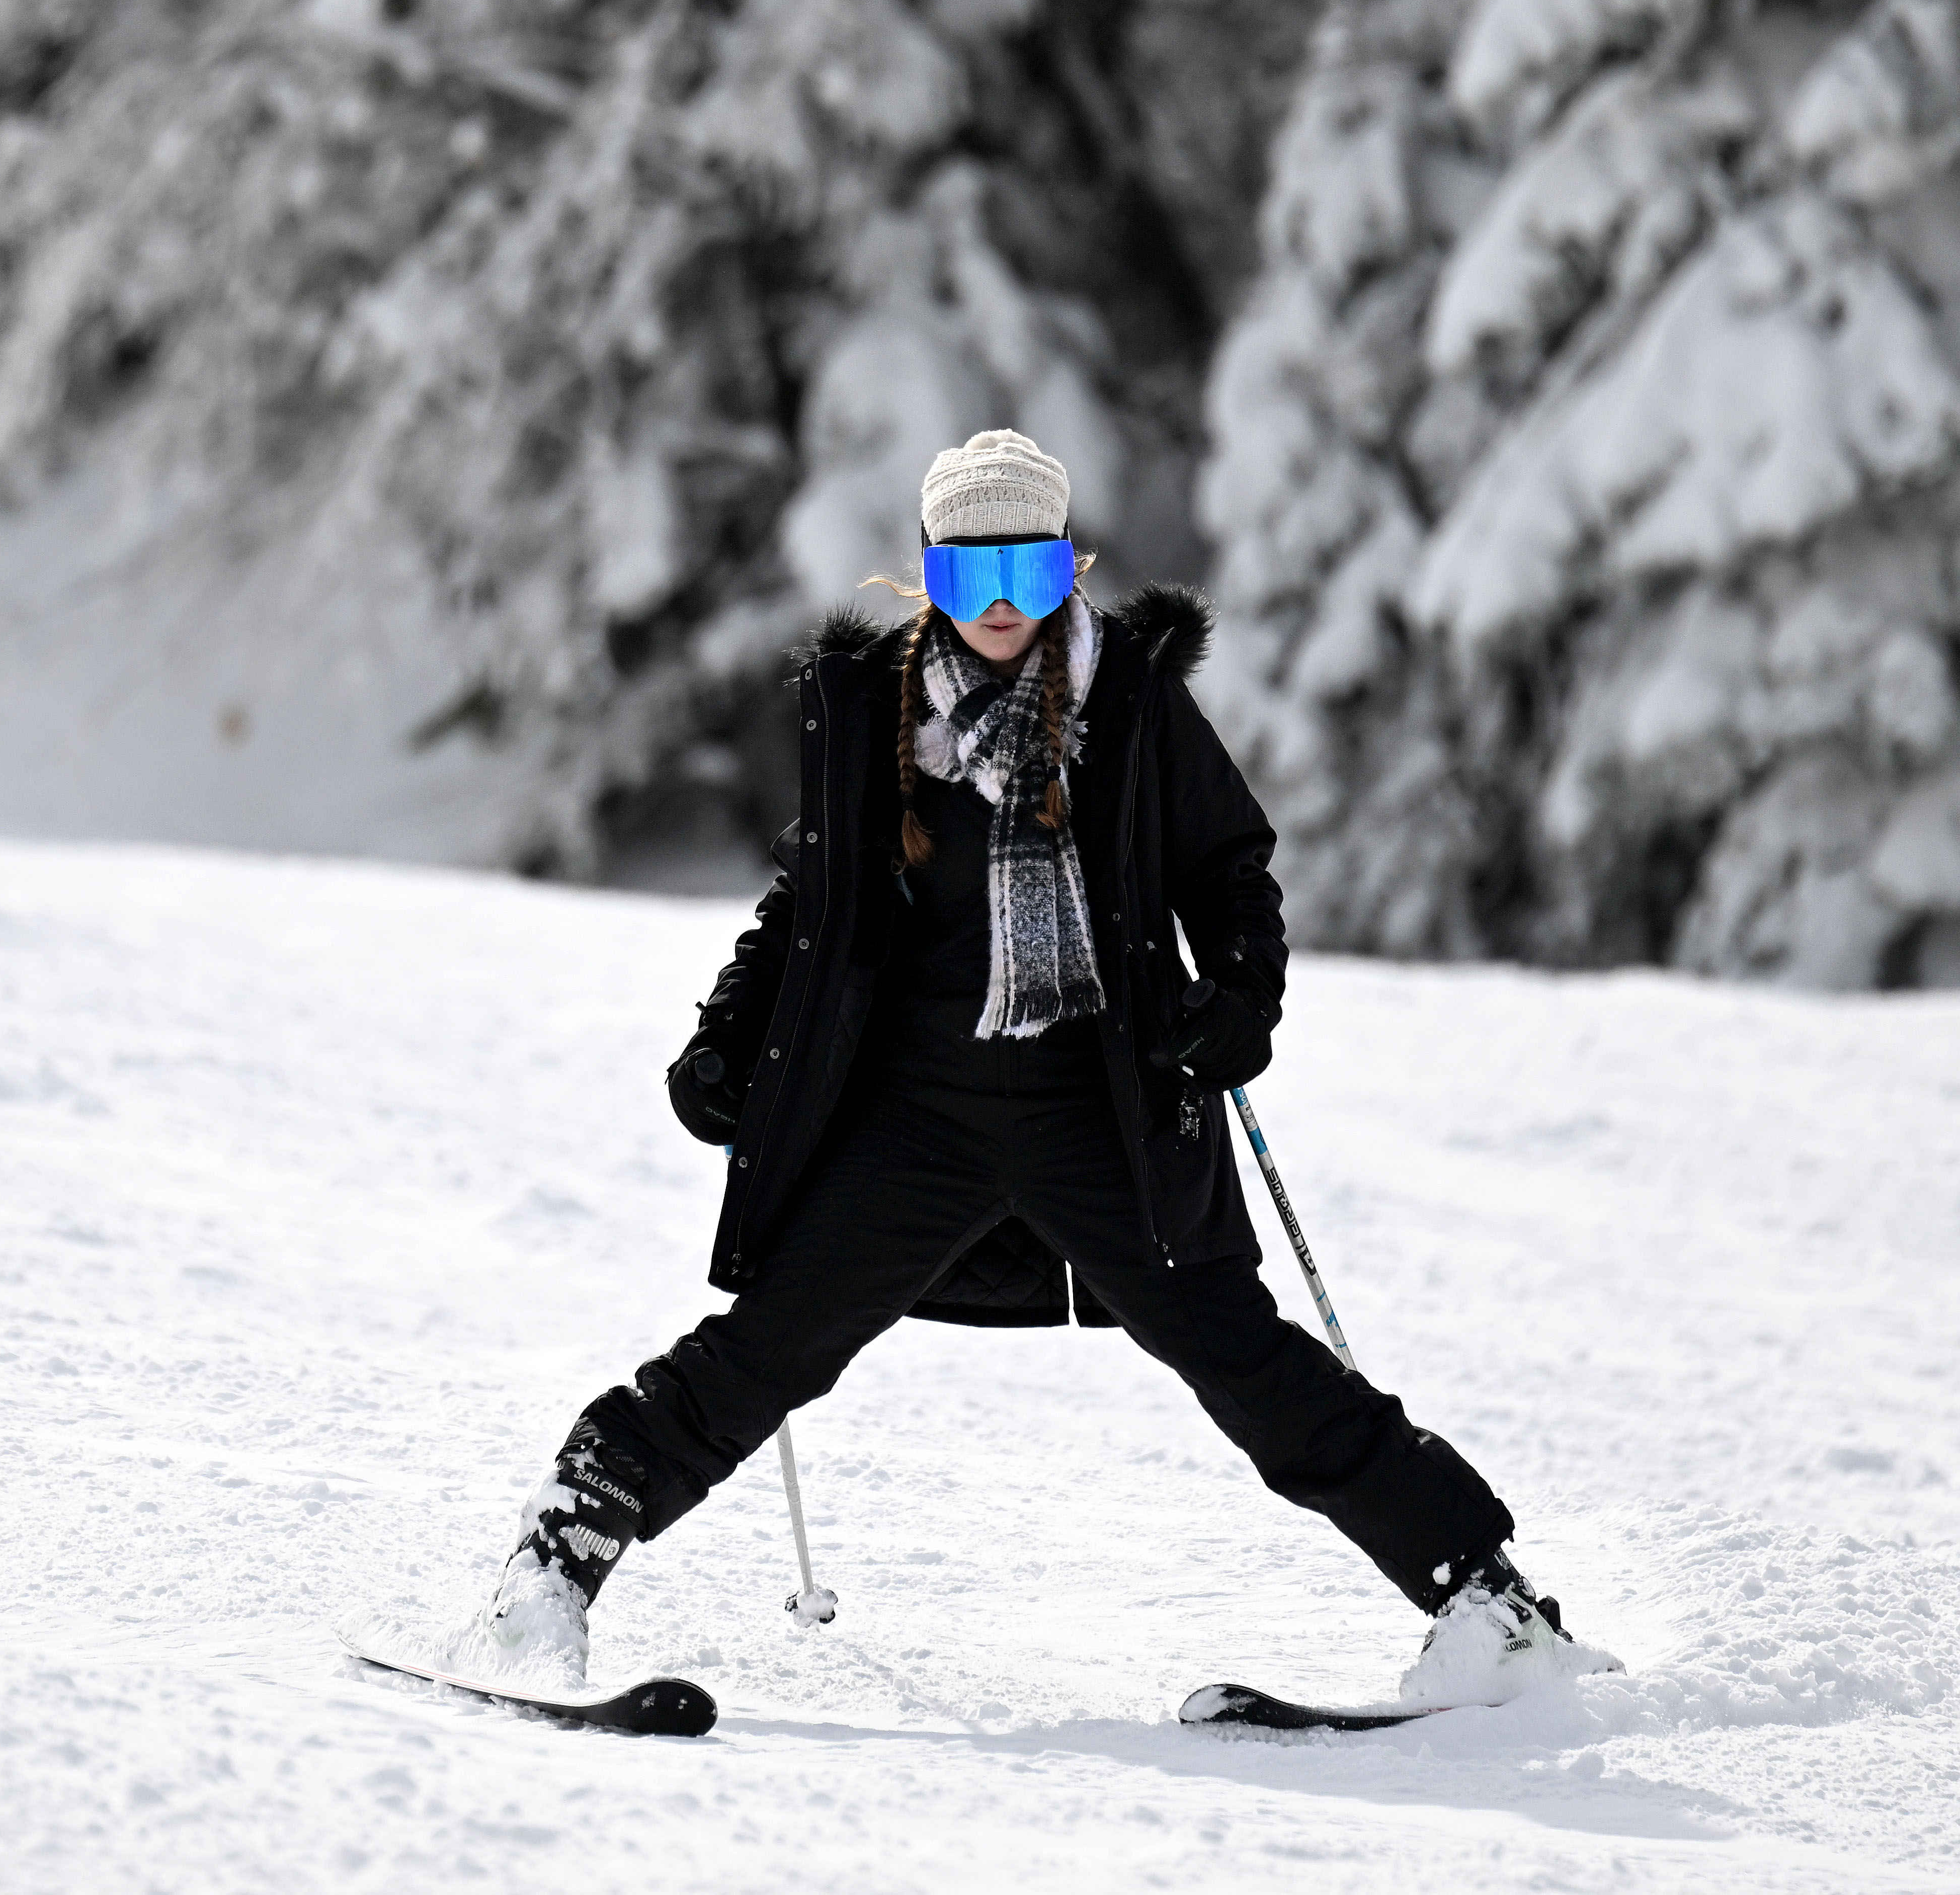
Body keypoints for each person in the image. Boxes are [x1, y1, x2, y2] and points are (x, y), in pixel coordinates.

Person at [472, 430, 1617, 1710]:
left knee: (1243, 1357)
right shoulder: (872, 718)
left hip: (1101, 1111)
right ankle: (549, 1570)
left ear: (1068, 566)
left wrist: (1240, 1002)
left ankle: (1486, 1603)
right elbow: (809, 903)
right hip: (913, 1116)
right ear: (928, 581)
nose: (1002, 602)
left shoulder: (1126, 705)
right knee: (766, 1348)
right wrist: (727, 1036)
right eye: (970, 577)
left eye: (1025, 566)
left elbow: (1229, 872)